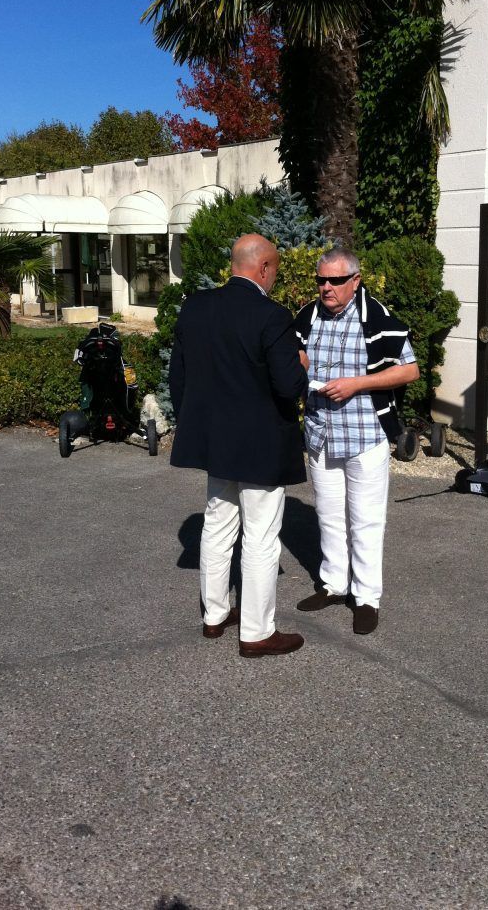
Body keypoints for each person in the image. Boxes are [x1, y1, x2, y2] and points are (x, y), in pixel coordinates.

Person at [169, 234, 309, 659]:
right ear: (264, 268)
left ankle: (214, 616)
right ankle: (256, 632)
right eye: (275, 270)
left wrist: (196, 425)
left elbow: (179, 376)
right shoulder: (272, 316)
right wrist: (301, 364)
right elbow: (289, 386)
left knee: (217, 526)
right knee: (261, 538)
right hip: (260, 444)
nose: (274, 278)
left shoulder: (196, 306)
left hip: (215, 441)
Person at [294, 248, 420, 634]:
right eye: (321, 280)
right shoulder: (308, 315)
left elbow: (410, 370)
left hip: (365, 434)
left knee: (365, 520)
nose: (326, 287)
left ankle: (366, 597)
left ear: (355, 281)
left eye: (335, 280)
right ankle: (334, 584)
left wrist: (357, 384)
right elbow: (294, 352)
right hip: (321, 432)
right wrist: (299, 362)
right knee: (329, 515)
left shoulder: (376, 317)